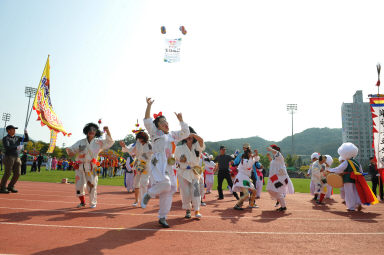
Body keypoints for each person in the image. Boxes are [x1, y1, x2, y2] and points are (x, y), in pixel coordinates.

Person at [141, 97, 190, 228]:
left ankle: (162, 217)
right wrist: (148, 106)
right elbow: (147, 121)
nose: (165, 123)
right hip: (158, 162)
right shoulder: (155, 133)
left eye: (166, 121)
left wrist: (181, 120)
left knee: (169, 190)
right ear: (157, 126)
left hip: (170, 164)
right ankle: (149, 194)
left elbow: (186, 133)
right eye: (162, 122)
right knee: (166, 184)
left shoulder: (173, 135)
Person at [66, 123, 114, 208]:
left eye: (94, 130)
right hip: (80, 167)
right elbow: (71, 151)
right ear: (86, 131)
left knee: (92, 185)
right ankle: (82, 202)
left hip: (92, 167)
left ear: (96, 132)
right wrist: (70, 152)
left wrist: (108, 131)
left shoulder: (99, 142)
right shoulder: (80, 142)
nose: (91, 131)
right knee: (78, 186)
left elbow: (110, 142)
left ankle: (93, 202)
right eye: (90, 130)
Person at [328, 142, 378, 211]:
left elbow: (339, 169)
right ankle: (358, 203)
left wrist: (330, 170)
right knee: (356, 191)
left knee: (349, 193)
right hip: (357, 178)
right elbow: (361, 172)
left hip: (347, 178)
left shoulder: (346, 162)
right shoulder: (357, 162)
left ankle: (351, 207)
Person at [175, 126, 205, 219]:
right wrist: (181, 160)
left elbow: (201, 141)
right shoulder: (179, 148)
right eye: (187, 135)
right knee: (186, 192)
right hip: (183, 172)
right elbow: (177, 159)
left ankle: (197, 210)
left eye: (190, 135)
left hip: (195, 172)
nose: (189, 137)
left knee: (196, 191)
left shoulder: (197, 146)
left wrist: (193, 134)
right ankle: (188, 210)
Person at [120, 127, 153, 207]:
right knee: (136, 184)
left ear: (145, 139)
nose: (139, 141)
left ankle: (144, 201)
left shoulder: (149, 145)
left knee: (144, 183)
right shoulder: (137, 143)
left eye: (141, 139)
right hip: (138, 166)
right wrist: (124, 146)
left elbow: (154, 154)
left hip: (146, 166)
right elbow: (130, 150)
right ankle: (136, 200)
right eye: (138, 139)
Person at [1, 125, 29, 193]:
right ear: (8, 130)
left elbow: (26, 140)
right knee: (8, 173)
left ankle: (10, 186)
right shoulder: (6, 138)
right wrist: (16, 147)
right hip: (9, 157)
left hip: (17, 157)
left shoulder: (17, 138)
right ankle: (2, 187)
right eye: (13, 129)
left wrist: (26, 133)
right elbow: (7, 147)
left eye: (14, 129)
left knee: (18, 173)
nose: (14, 130)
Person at [266, 144, 294, 212]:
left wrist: (271, 149)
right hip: (274, 177)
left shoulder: (280, 156)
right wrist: (269, 157)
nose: (272, 151)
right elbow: (272, 162)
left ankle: (283, 206)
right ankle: (281, 202)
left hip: (280, 177)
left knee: (276, 190)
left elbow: (276, 152)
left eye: (273, 149)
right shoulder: (275, 159)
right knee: (270, 189)